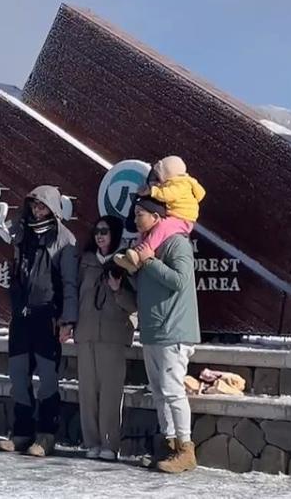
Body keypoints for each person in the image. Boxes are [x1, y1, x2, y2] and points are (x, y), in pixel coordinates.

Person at [117, 195, 201, 473]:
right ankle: (168, 445)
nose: (136, 218)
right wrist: (127, 275)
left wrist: (149, 262)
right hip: (152, 329)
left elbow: (180, 281)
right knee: (159, 392)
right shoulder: (144, 246)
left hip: (173, 329)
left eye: (141, 213)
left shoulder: (177, 243)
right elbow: (147, 286)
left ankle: (186, 449)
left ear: (157, 217)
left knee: (173, 391)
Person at [0, 185, 79, 457]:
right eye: (34, 206)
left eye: (42, 206)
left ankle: (45, 435)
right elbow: (15, 277)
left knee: (47, 380)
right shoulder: (22, 234)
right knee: (18, 377)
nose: (37, 210)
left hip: (48, 318)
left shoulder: (64, 240)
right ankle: (21, 432)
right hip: (21, 318)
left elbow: (69, 284)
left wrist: (67, 320)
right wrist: (16, 305)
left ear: (53, 208)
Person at [75, 215, 137, 462]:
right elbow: (74, 294)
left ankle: (110, 444)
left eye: (105, 231)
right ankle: (91, 442)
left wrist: (117, 290)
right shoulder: (86, 261)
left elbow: (134, 304)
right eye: (97, 231)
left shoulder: (126, 262)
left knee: (111, 392)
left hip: (114, 334)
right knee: (87, 391)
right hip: (86, 332)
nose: (100, 235)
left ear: (115, 235)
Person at [114, 156, 205, 274]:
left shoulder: (181, 184)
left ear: (168, 174)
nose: (157, 182)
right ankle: (133, 259)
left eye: (158, 177)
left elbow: (168, 195)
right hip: (174, 215)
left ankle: (145, 250)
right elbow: (131, 224)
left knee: (161, 227)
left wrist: (152, 191)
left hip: (183, 219)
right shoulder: (173, 183)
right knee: (146, 230)